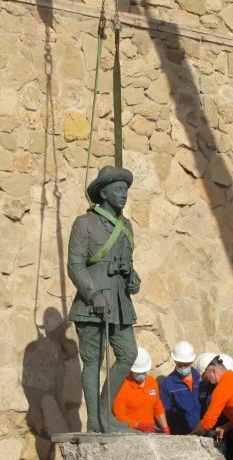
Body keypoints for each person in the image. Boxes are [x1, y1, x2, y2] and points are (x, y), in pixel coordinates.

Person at [67, 166, 142, 433]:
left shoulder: (126, 227)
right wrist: (94, 293)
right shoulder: (84, 224)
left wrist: (133, 278)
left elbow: (127, 263)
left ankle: (105, 412)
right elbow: (75, 266)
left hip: (120, 303)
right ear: (104, 192)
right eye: (119, 189)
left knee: (128, 354)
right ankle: (94, 421)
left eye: (126, 190)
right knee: (92, 361)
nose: (124, 195)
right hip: (91, 304)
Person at [112, 347, 169, 433]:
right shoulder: (122, 386)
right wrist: (138, 425)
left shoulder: (152, 382)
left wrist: (165, 428)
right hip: (130, 433)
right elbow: (119, 416)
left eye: (144, 371)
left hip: (150, 433)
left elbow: (158, 408)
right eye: (138, 372)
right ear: (131, 370)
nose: (141, 374)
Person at [159, 340, 201, 435]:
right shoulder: (167, 384)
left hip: (204, 429)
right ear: (175, 361)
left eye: (186, 364)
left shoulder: (201, 378)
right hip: (182, 434)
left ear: (191, 361)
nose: (183, 368)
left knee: (217, 446)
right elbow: (165, 411)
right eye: (179, 364)